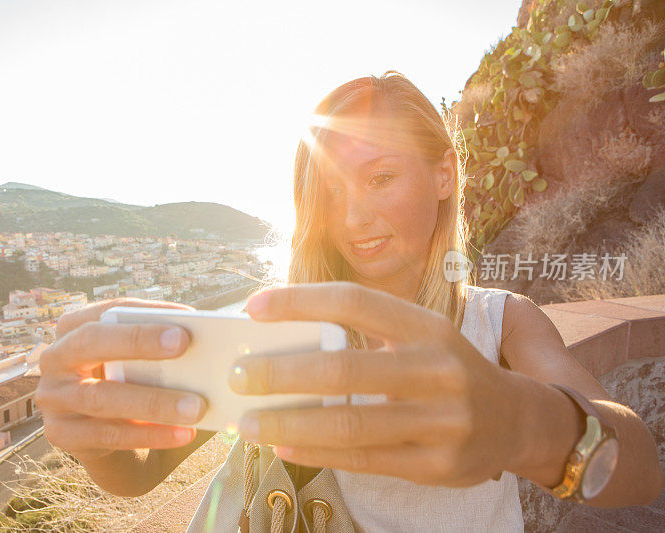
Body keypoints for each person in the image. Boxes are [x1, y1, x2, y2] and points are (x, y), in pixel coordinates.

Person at [35, 71, 663, 531]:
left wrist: (523, 424)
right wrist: (96, 440)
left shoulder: (500, 322)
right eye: (331, 192)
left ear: (444, 174)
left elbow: (637, 468)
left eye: (381, 177)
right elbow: (138, 474)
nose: (354, 216)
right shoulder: (281, 323)